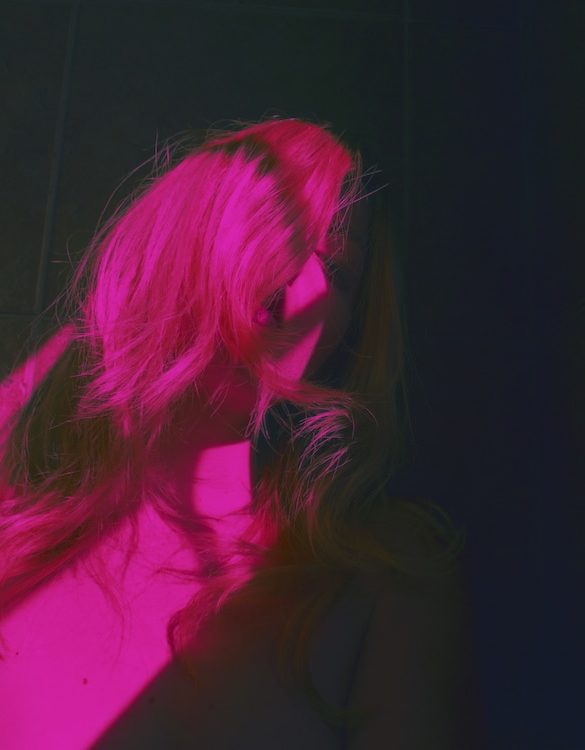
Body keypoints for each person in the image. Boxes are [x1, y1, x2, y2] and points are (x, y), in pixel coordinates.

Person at [0, 117, 472, 748]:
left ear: (346, 338)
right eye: (277, 232)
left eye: (337, 271)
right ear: (187, 230)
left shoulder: (385, 577)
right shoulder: (18, 533)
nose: (295, 288)